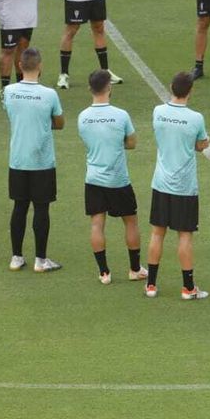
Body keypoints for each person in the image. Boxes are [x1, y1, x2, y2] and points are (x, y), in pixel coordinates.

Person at [147, 71, 210, 299]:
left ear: (171, 87)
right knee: (184, 236)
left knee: (157, 233)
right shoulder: (196, 118)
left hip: (161, 183)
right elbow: (201, 145)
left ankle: (151, 285)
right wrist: (202, 143)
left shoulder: (158, 112)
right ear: (190, 91)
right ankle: (188, 288)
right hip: (184, 186)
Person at [78, 69, 144, 284]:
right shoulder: (121, 115)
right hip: (118, 179)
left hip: (93, 179)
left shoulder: (83, 117)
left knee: (97, 224)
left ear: (90, 88)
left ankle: (104, 272)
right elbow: (132, 143)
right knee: (131, 222)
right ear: (109, 87)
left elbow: (88, 142)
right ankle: (135, 269)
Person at [4, 48, 64, 271]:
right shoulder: (49, 94)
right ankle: (41, 259)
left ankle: (16, 257)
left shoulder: (9, 91)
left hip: (18, 159)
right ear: (40, 66)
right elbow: (59, 123)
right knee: (41, 208)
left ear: (20, 66)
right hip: (42, 161)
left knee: (19, 207)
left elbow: (11, 114)